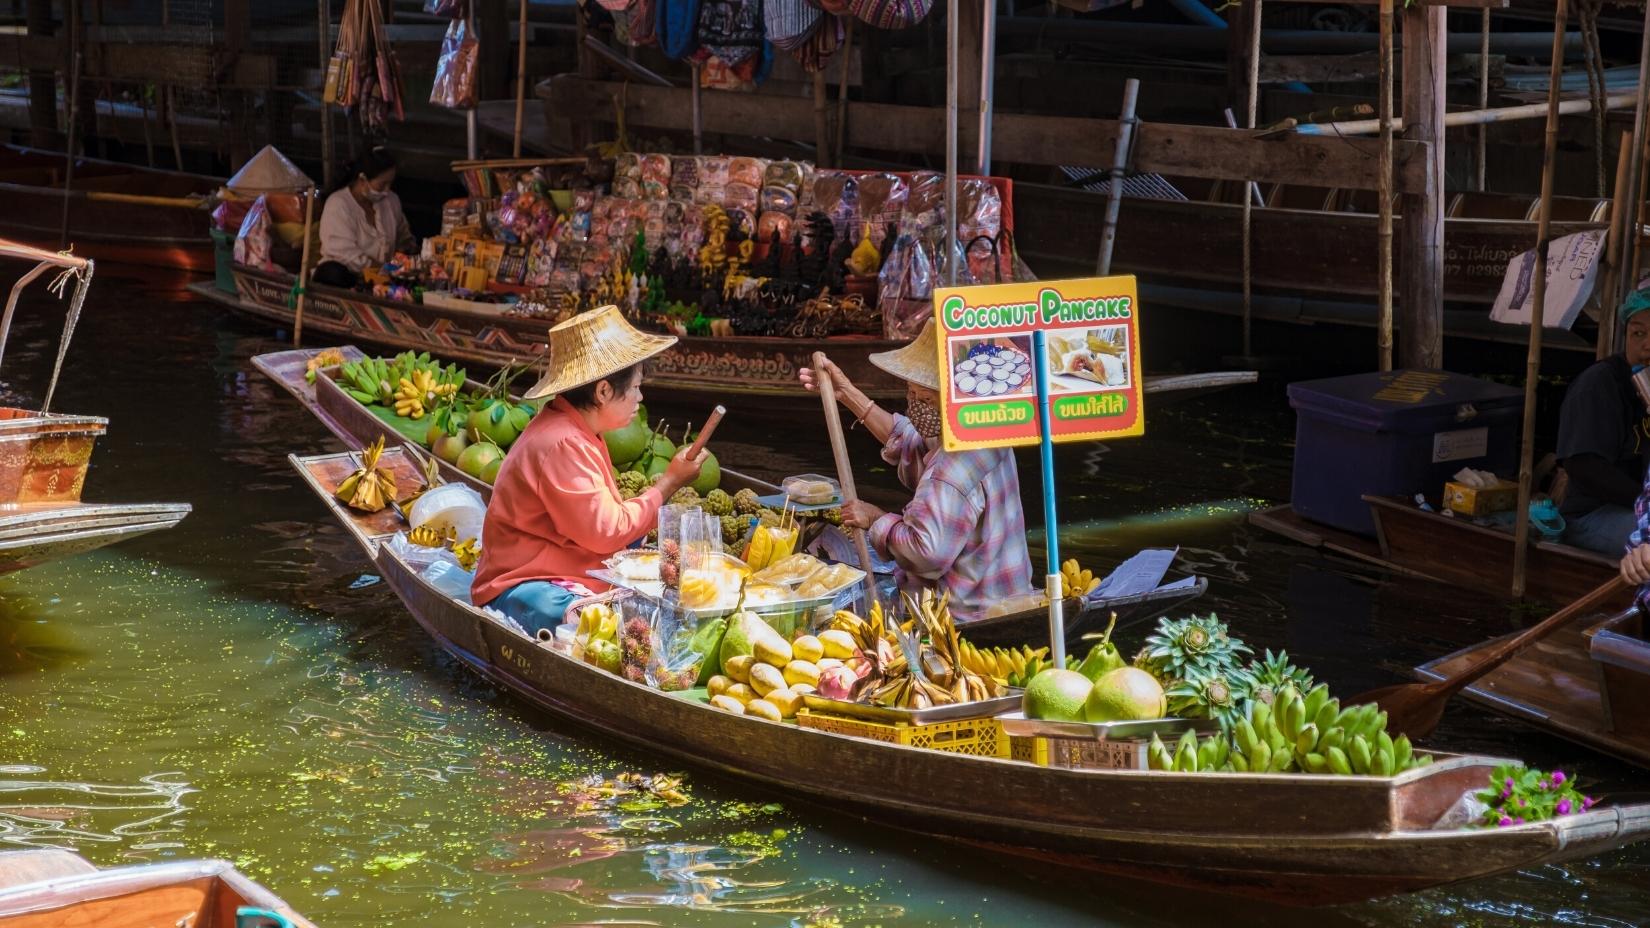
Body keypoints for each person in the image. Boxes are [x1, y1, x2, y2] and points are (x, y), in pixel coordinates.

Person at [471, 305, 708, 634]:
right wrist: (670, 482)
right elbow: (606, 532)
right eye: (637, 387)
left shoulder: (575, 429)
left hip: (571, 564)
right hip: (523, 583)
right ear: (603, 391)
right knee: (601, 624)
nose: (640, 397)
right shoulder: (564, 441)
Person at [798, 319, 1035, 622]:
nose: (914, 405)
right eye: (911, 393)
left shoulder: (954, 467)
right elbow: (911, 440)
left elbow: (926, 554)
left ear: (950, 401)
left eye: (923, 398)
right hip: (1007, 596)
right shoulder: (981, 426)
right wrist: (846, 393)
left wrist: (876, 518)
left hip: (966, 618)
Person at [1557, 289, 1650, 556]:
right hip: (1593, 514)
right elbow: (1583, 466)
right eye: (1638, 333)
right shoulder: (1600, 383)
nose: (1647, 344)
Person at [314, 147, 414, 288]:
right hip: (342, 282)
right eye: (382, 184)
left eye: (390, 184)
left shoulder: (391, 200)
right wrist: (382, 270)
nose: (387, 190)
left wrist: (404, 256)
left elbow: (403, 236)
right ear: (362, 180)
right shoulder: (338, 205)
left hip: (383, 282)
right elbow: (345, 254)